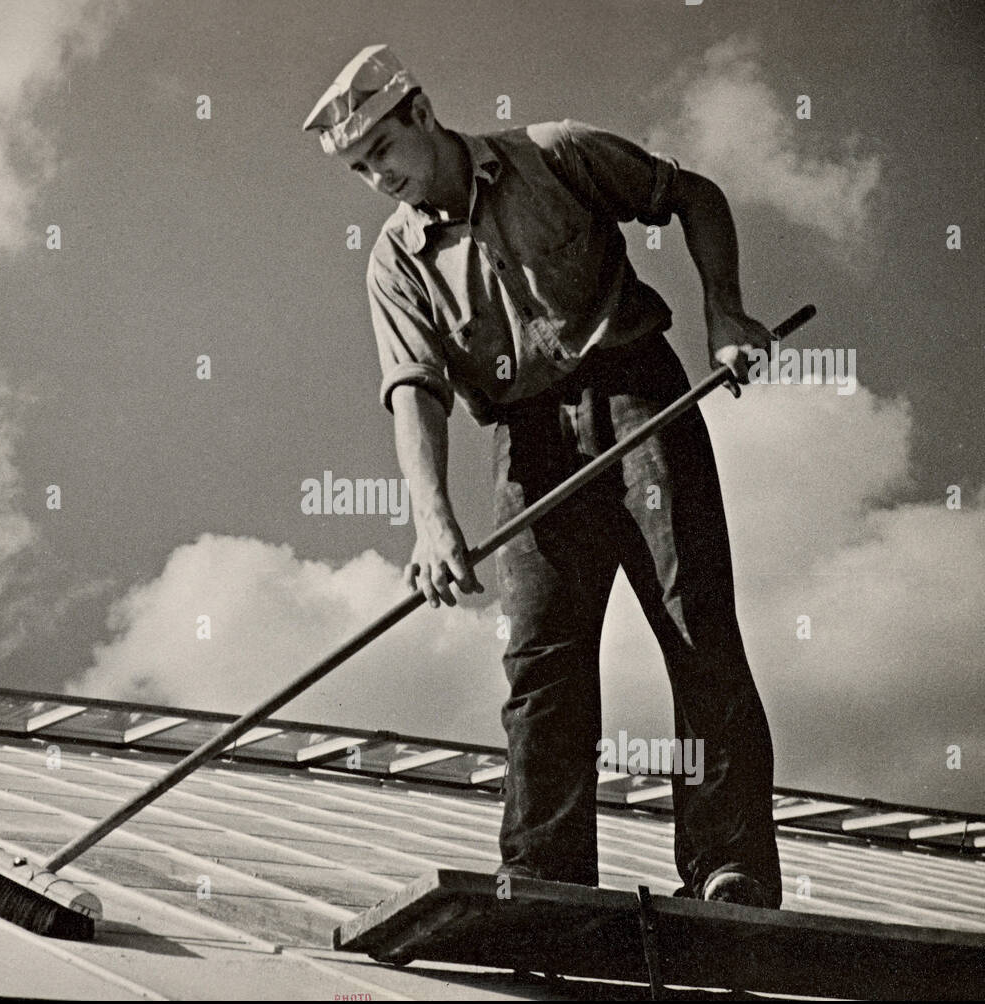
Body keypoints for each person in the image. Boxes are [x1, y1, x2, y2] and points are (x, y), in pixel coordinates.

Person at [302, 46, 782, 908]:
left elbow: (690, 195)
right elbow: (414, 390)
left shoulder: (553, 151)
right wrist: (432, 520)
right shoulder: (395, 261)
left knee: (694, 615)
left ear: (419, 110)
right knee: (539, 659)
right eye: (359, 168)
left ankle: (728, 862)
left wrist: (725, 310)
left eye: (381, 152)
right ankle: (547, 874)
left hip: (637, 389)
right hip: (525, 440)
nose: (377, 179)